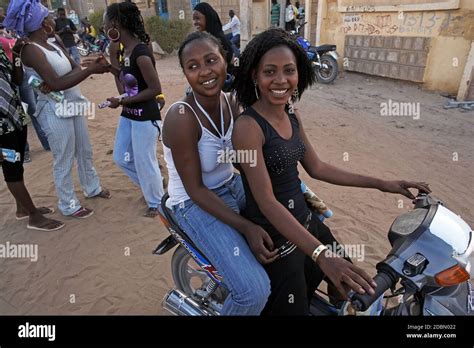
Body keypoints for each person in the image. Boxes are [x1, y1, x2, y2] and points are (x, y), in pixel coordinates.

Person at [232, 28, 432, 315]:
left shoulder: (292, 115)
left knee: (350, 286)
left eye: (289, 70)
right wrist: (320, 255)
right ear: (254, 75)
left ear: (299, 73)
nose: (280, 80)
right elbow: (266, 201)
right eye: (269, 71)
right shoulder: (248, 127)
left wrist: (383, 183)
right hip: (275, 238)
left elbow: (317, 167)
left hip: (306, 220)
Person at [162, 31, 276, 315]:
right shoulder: (181, 118)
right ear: (186, 74)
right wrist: (247, 226)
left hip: (230, 183)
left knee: (290, 225)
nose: (204, 72)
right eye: (193, 66)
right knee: (253, 292)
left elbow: (241, 158)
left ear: (225, 59)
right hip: (193, 201)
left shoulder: (232, 102)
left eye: (211, 60)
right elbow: (196, 189)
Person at [5, 0, 111, 219]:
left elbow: (73, 68)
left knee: (84, 150)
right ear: (41, 22)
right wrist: (88, 70)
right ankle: (68, 203)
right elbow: (55, 83)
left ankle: (92, 188)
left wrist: (79, 71)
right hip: (53, 109)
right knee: (63, 157)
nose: (52, 18)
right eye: (48, 16)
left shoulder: (55, 41)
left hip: (72, 101)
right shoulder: (30, 51)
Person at [101, 2, 165, 218]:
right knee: (121, 158)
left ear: (116, 24)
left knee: (144, 160)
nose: (104, 27)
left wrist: (122, 102)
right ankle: (153, 185)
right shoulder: (125, 51)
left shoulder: (140, 52)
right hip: (129, 115)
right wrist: (110, 65)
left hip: (145, 117)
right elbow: (127, 87)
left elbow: (155, 89)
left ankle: (158, 203)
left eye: (106, 23)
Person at [0, 39, 64, 231]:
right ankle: (34, 217)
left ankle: (23, 208)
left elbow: (16, 80)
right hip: (2, 126)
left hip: (14, 114)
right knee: (11, 166)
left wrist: (17, 56)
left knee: (17, 161)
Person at [192, 2, 235, 74]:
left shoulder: (219, 40)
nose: (195, 22)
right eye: (194, 19)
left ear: (208, 17)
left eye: (197, 18)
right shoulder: (206, 39)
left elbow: (233, 61)